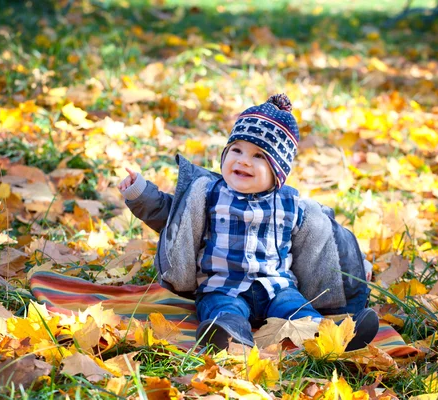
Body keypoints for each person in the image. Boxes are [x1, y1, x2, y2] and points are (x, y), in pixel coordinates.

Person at [118, 94, 378, 351]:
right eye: (237, 150)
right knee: (222, 310)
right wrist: (140, 192)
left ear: (278, 172)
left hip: (276, 287)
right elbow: (172, 215)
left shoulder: (291, 204)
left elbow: (327, 242)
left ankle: (335, 336)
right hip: (222, 286)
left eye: (258, 156)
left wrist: (358, 263)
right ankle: (227, 334)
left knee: (298, 311)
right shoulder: (208, 194)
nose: (243, 160)